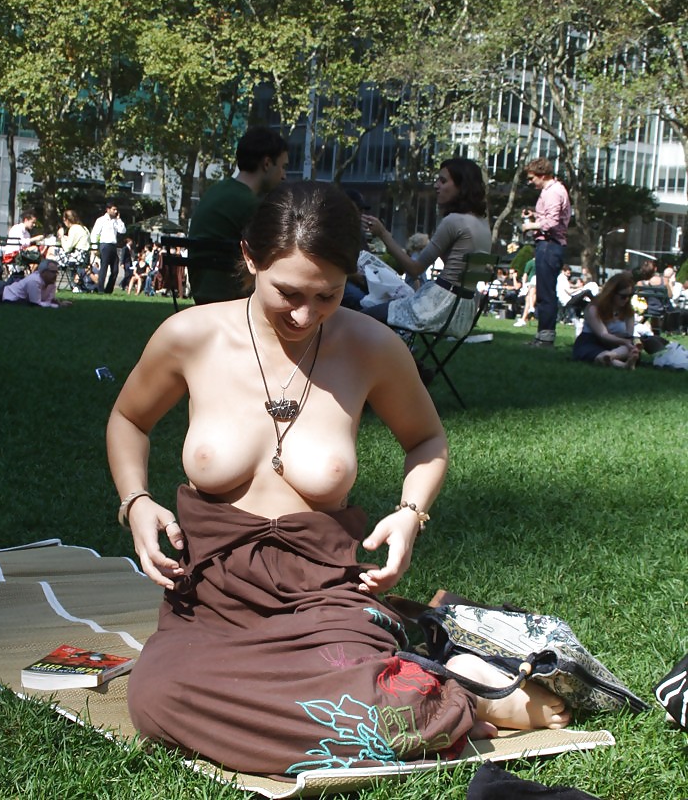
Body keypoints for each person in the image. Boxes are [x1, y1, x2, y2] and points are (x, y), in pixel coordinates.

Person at [107, 180, 569, 778]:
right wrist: (136, 501)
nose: (304, 315)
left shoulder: (370, 346)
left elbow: (426, 440)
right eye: (288, 293)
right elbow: (128, 419)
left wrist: (410, 514)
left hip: (323, 590)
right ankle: (441, 692)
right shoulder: (191, 336)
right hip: (214, 595)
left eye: (326, 295)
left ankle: (456, 695)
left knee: (364, 699)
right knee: (158, 697)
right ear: (250, 258)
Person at [361, 158, 492, 338]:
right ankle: (411, 361)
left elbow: (415, 269)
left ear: (462, 186)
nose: (436, 185)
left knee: (365, 316)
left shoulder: (453, 221)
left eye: (443, 181)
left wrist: (383, 234)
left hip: (438, 306)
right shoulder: (483, 224)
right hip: (463, 311)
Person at [187, 126, 289, 304]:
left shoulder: (216, 192)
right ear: (266, 164)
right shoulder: (250, 205)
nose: (284, 175)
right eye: (282, 166)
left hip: (202, 291)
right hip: (235, 296)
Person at [521, 158, 571, 348]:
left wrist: (529, 225)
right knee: (544, 291)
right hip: (550, 245)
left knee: (546, 293)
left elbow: (551, 222)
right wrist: (535, 215)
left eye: (532, 178)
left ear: (542, 175)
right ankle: (542, 336)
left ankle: (545, 338)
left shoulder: (553, 192)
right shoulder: (553, 191)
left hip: (550, 245)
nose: (530, 181)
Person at [572, 271, 640, 368]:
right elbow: (603, 335)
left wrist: (631, 343)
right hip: (592, 342)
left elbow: (628, 336)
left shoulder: (628, 312)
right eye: (623, 296)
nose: (627, 300)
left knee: (630, 348)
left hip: (616, 346)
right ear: (612, 294)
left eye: (630, 296)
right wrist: (624, 341)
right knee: (598, 354)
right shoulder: (594, 308)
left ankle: (610, 356)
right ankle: (624, 365)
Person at [91, 198, 125, 293]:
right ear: (108, 209)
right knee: (104, 268)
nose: (115, 211)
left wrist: (119, 220)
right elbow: (94, 233)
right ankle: (100, 289)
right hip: (105, 245)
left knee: (115, 270)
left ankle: (109, 289)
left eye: (116, 209)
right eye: (113, 209)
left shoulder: (115, 221)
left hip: (113, 246)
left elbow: (122, 230)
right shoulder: (101, 220)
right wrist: (94, 247)